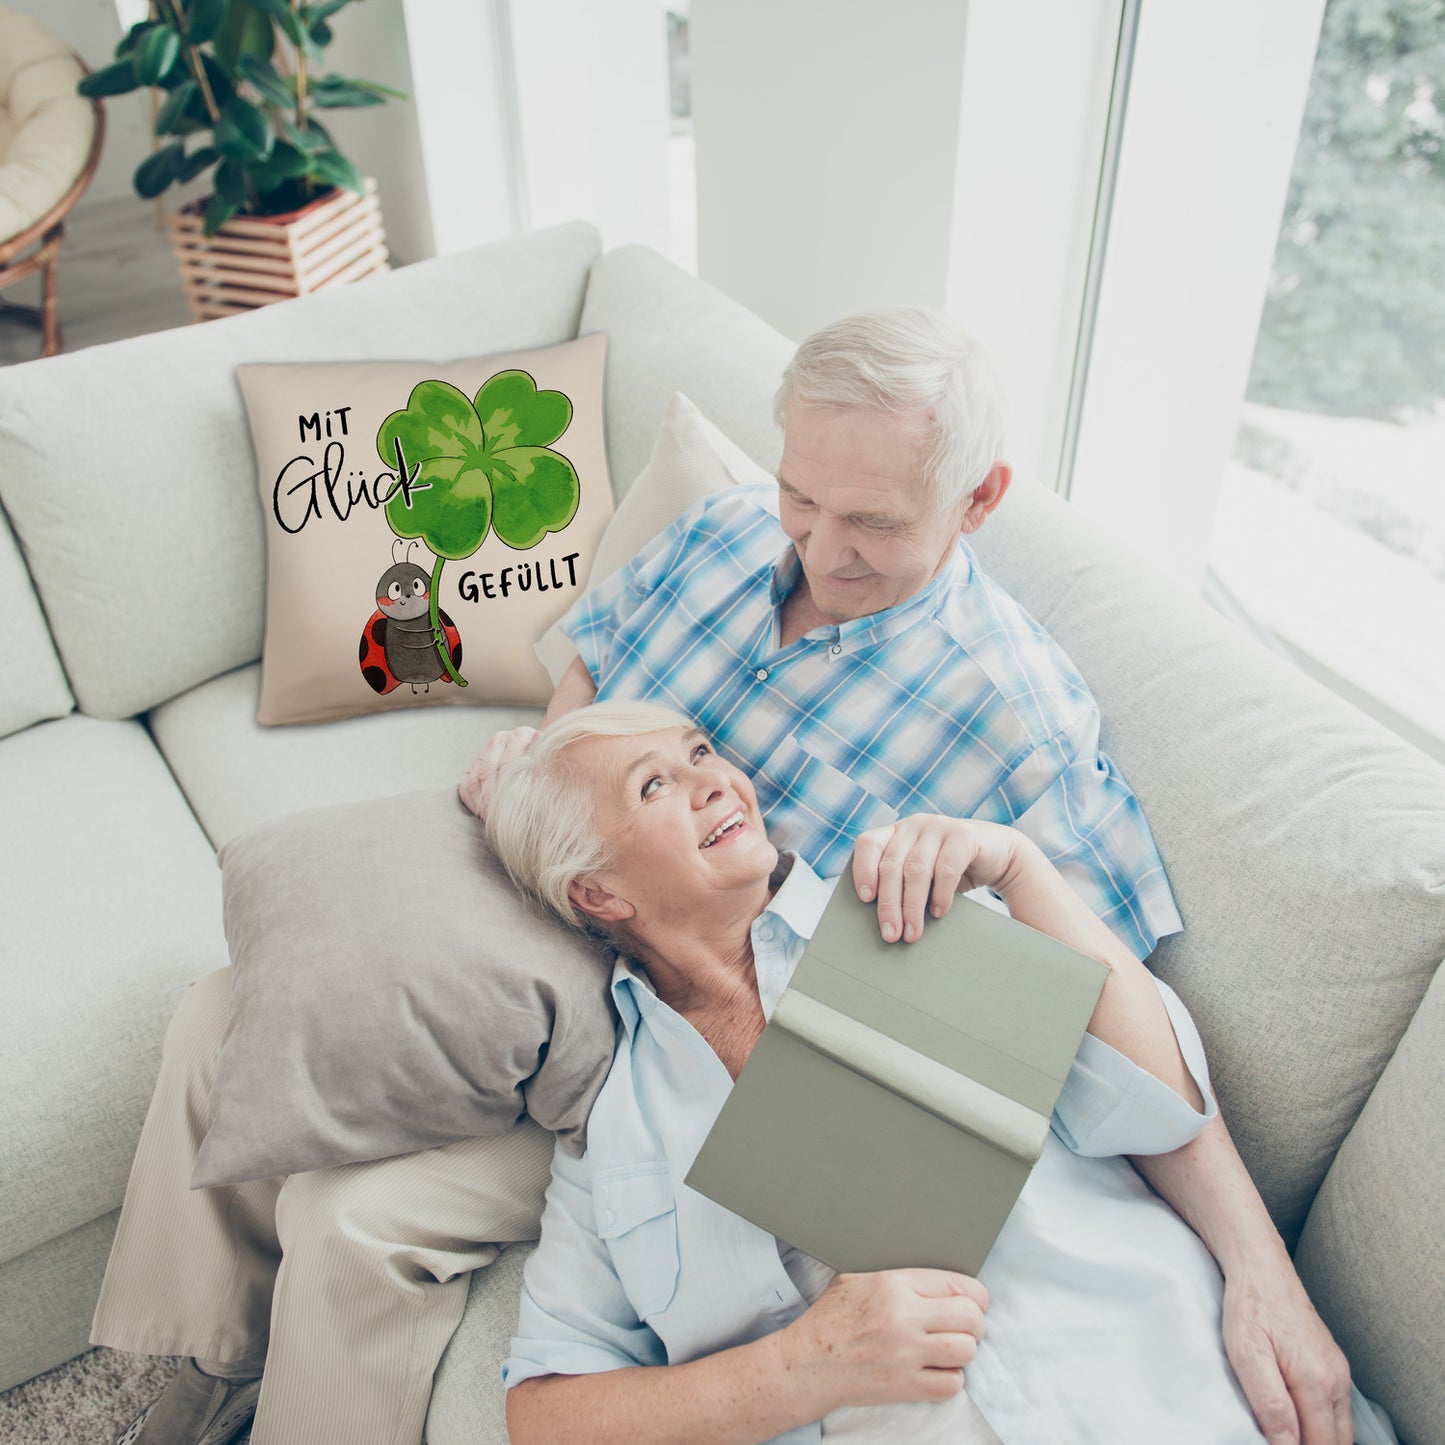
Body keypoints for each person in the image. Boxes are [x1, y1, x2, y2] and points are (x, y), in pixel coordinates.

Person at [94, 309, 1348, 1445]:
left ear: (976, 501)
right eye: (804, 495)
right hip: (581, 888)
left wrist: (1259, 1266)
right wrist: (545, 764)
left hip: (692, 1013)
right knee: (229, 1007)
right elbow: (593, 671)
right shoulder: (724, 532)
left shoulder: (1016, 724)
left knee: (354, 1218)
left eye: (871, 520)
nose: (818, 545)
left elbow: (1103, 1020)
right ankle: (193, 1364)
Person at [487, 700, 1378, 1445]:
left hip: (1175, 1388)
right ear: (597, 893)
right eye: (655, 785)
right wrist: (800, 1367)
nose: (714, 779)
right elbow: (544, 1411)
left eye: (700, 752)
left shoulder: (909, 906)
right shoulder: (614, 1133)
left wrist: (1021, 869)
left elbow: (1158, 1104)